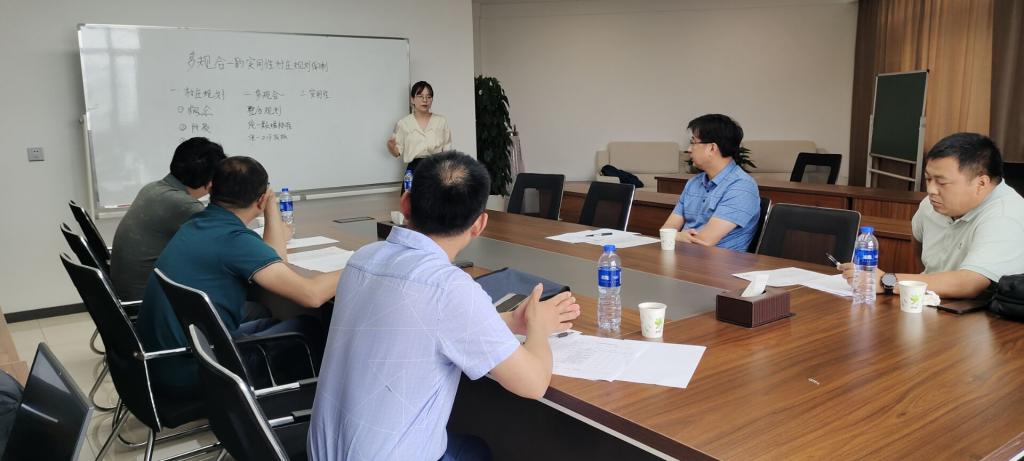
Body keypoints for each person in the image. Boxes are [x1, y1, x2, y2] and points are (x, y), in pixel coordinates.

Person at [309, 151, 581, 461]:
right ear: (479, 224)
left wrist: (505, 321)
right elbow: (533, 384)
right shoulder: (448, 288)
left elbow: (417, 324)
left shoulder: (363, 258)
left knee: (471, 447)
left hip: (324, 454)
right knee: (477, 451)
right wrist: (538, 329)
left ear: (405, 204)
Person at [136, 156, 340, 397]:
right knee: (308, 327)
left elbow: (276, 262)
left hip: (165, 360)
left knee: (272, 321)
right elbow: (312, 296)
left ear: (211, 188)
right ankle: (293, 407)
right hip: (198, 370)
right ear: (261, 199)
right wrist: (361, 264)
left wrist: (270, 206)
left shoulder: (198, 223)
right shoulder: (235, 240)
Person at [840, 133, 1024, 299]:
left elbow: (970, 283)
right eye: (928, 179)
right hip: (931, 301)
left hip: (985, 315)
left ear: (981, 183)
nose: (931, 190)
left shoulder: (1006, 215)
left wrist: (885, 281)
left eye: (942, 182)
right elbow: (918, 242)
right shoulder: (930, 205)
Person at [110, 137, 226, 302]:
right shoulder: (184, 205)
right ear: (211, 181)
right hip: (147, 302)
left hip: (128, 294)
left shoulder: (153, 188)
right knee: (252, 307)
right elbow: (228, 246)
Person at [660, 114, 760, 252]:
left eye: (693, 142)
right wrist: (678, 236)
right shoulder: (693, 183)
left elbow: (704, 241)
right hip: (686, 256)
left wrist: (675, 236)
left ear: (712, 148)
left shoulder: (741, 187)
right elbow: (666, 229)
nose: (689, 149)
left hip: (720, 263)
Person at [386, 81, 453, 190]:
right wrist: (391, 147)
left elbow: (447, 150)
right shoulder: (403, 123)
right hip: (414, 171)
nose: (425, 100)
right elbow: (397, 152)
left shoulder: (441, 121)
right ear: (412, 99)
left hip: (437, 170)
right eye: (420, 96)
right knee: (412, 200)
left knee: (437, 200)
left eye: (429, 97)